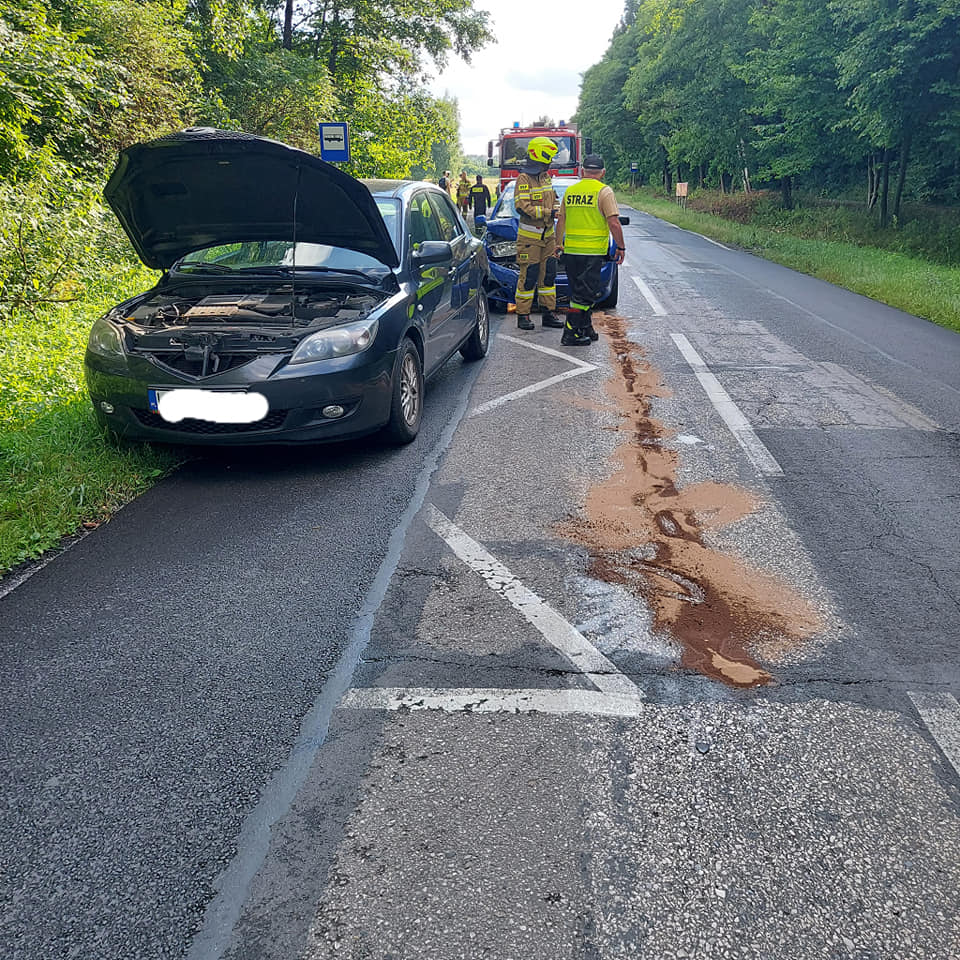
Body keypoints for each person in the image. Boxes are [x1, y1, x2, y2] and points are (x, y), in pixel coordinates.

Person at [554, 154, 625, 346]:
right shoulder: (604, 192)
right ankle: (570, 333)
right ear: (602, 173)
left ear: (582, 171)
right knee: (584, 295)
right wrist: (621, 247)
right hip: (592, 253)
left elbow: (561, 219)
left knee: (580, 291)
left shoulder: (571, 191)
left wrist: (558, 244)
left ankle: (585, 327)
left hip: (571, 252)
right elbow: (614, 223)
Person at [512, 136, 563, 331]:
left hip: (548, 237)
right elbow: (522, 207)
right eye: (548, 158)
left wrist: (557, 209)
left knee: (548, 276)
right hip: (530, 239)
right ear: (539, 155)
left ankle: (548, 312)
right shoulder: (524, 179)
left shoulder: (545, 177)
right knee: (529, 275)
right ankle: (523, 315)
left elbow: (553, 199)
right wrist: (549, 212)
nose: (550, 162)